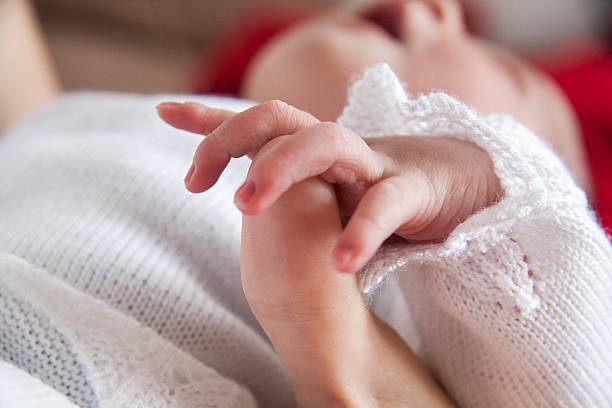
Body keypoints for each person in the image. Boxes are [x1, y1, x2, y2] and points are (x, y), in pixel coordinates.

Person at [0, 1, 610, 407]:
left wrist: (485, 186)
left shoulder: (427, 285)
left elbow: (571, 375)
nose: (442, 8)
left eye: (509, 67)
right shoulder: (124, 117)